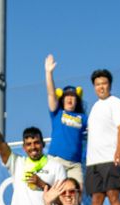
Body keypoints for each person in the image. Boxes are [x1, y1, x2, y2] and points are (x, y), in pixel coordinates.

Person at [85, 68, 120, 205]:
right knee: (96, 198)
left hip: (111, 157)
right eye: (97, 84)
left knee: (113, 195)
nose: (101, 87)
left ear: (109, 85)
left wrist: (118, 149)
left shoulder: (116, 102)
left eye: (104, 83)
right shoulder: (94, 108)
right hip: (93, 161)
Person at [45, 54, 87, 184]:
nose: (69, 99)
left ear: (77, 100)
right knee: (56, 197)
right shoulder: (57, 113)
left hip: (75, 164)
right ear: (62, 99)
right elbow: (51, 94)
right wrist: (48, 73)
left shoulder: (84, 118)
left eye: (73, 96)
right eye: (67, 96)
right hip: (57, 161)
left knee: (77, 194)